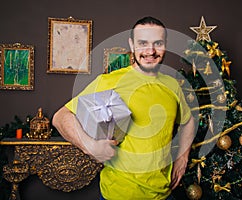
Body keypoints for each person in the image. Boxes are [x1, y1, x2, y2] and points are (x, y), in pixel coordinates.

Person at [52, 16, 195, 200]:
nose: (150, 51)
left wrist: (183, 158)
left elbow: (188, 121)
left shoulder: (173, 85)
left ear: (165, 44)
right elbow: (60, 117)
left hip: (163, 194)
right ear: (132, 44)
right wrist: (90, 146)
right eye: (143, 43)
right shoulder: (110, 81)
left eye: (157, 43)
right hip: (119, 194)